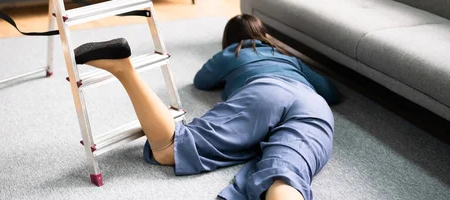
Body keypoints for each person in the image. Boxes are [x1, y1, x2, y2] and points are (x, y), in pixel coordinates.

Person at [72, 14, 340, 200]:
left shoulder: (232, 52)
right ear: (262, 34)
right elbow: (330, 92)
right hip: (312, 105)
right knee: (286, 174)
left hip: (265, 93)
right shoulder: (287, 57)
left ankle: (124, 69)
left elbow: (202, 81)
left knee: (170, 147)